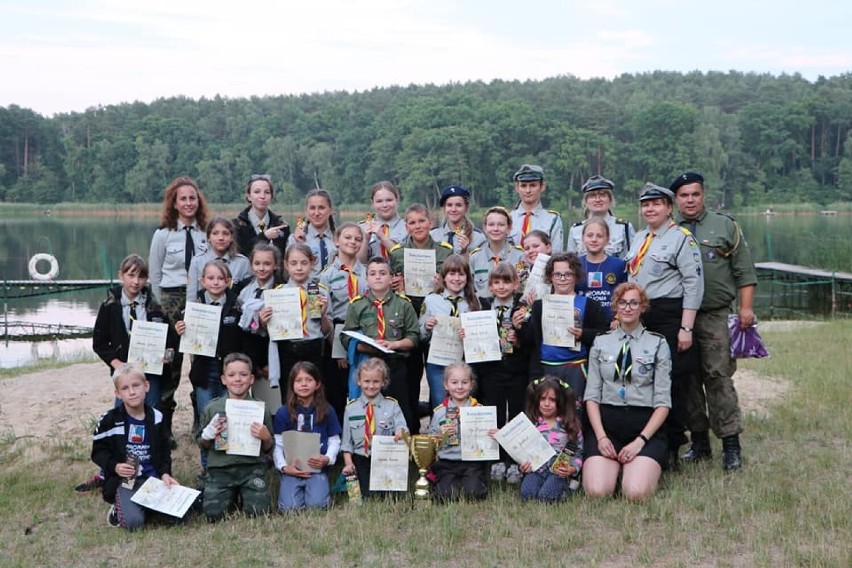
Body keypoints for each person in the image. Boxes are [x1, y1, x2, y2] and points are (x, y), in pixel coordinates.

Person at [673, 172, 757, 470]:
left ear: (703, 195)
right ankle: (699, 442)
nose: (690, 200)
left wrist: (745, 309)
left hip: (715, 314)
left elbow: (744, 271)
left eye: (695, 194)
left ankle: (731, 443)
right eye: (684, 195)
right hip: (682, 316)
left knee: (718, 377)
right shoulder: (670, 229)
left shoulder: (724, 225)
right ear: (676, 199)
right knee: (688, 378)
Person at [81, 254, 178, 494]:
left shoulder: (154, 306)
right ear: (121, 275)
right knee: (121, 421)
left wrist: (167, 353)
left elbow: (170, 340)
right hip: (124, 374)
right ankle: (109, 471)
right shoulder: (110, 305)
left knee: (149, 420)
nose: (135, 281)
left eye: (141, 276)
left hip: (150, 375)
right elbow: (99, 342)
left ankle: (151, 468)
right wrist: (117, 364)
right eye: (131, 275)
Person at [625, 183, 703, 468]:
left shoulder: (681, 237)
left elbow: (694, 283)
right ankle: (647, 441)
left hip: (670, 314)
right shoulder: (639, 237)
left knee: (671, 383)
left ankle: (671, 446)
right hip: (640, 314)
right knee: (641, 378)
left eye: (656, 203)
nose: (650, 209)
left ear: (669, 207)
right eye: (646, 204)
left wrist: (686, 327)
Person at [583, 283, 672, 501]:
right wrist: (601, 437)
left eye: (634, 303)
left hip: (644, 427)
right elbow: (592, 396)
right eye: (622, 303)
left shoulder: (658, 343)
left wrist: (640, 441)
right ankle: (614, 467)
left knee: (636, 493)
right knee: (597, 492)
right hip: (608, 426)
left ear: (642, 307)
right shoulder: (601, 342)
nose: (628, 308)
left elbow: (663, 402)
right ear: (615, 306)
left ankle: (636, 467)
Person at [148, 176, 209, 446]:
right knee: (170, 368)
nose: (188, 203)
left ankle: (200, 422)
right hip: (170, 303)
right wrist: (161, 312)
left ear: (199, 202)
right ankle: (165, 428)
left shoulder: (207, 233)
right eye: (182, 198)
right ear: (174, 202)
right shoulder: (162, 235)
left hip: (199, 302)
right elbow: (154, 276)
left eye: (192, 198)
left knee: (201, 366)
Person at [91, 364, 185, 530]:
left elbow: (164, 452)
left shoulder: (157, 417)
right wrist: (116, 466)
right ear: (117, 393)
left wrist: (165, 474)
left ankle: (142, 505)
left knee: (179, 517)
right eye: (125, 388)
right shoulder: (109, 420)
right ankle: (119, 507)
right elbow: (98, 452)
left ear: (146, 386)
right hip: (126, 480)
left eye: (136, 385)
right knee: (135, 523)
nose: (132, 392)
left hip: (153, 479)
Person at [516, 252, 609, 410]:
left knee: (574, 414)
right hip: (545, 367)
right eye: (557, 274)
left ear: (576, 276)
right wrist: (519, 327)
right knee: (544, 416)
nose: (563, 278)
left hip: (577, 368)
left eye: (568, 274)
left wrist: (583, 334)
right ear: (550, 277)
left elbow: (604, 336)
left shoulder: (591, 305)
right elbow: (531, 340)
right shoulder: (539, 305)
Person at [389, 203, 453, 423]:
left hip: (436, 314)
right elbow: (388, 285)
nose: (417, 226)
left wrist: (441, 285)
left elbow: (455, 282)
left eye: (422, 221)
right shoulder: (397, 253)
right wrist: (396, 284)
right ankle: (412, 428)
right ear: (406, 226)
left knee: (440, 373)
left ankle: (441, 427)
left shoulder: (445, 250)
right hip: (407, 314)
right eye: (412, 222)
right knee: (410, 374)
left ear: (431, 223)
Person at [176, 260, 242, 470]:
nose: (215, 282)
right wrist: (180, 330)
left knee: (229, 417)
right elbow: (180, 340)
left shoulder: (236, 305)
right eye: (211, 278)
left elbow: (243, 338)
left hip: (230, 372)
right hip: (204, 372)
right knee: (208, 418)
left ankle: (227, 466)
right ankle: (208, 469)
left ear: (228, 281)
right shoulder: (192, 308)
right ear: (202, 281)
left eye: (220, 278)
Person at [341, 257, 419, 429]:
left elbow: (414, 336)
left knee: (400, 409)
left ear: (391, 278)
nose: (378, 277)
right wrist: (363, 347)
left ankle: (402, 450)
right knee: (370, 409)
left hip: (396, 364)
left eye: (383, 273)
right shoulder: (357, 305)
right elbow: (346, 337)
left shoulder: (404, 304)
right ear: (366, 278)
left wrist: (394, 344)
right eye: (373, 274)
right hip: (369, 365)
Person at [196, 353, 274, 521]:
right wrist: (208, 435)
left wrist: (266, 437)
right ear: (223, 379)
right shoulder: (213, 408)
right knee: (213, 515)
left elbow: (269, 448)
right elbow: (202, 444)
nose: (238, 379)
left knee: (259, 513)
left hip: (251, 468)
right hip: (221, 468)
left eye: (243, 375)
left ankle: (245, 495)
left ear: (252, 379)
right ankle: (226, 495)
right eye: (232, 375)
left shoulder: (260, 409)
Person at [472, 262, 528, 484]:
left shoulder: (522, 308)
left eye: (506, 282)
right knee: (493, 415)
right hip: (492, 371)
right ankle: (495, 459)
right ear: (490, 286)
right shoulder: (484, 307)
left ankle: (514, 461)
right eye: (496, 282)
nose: (502, 286)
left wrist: (520, 338)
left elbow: (533, 338)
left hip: (516, 371)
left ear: (515, 284)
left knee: (516, 414)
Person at [266, 244, 331, 405]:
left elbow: (327, 331)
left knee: (315, 397)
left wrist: (323, 314)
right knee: (289, 397)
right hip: (288, 349)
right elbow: (269, 330)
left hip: (313, 348)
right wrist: (264, 319)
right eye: (294, 263)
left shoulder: (321, 291)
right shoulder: (278, 293)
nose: (299, 268)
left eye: (304, 263)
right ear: (286, 265)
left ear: (312, 263)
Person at [273, 362, 342, 512]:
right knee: (289, 509)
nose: (303, 384)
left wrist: (327, 459)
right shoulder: (283, 413)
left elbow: (334, 440)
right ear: (292, 385)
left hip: (317, 468)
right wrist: (284, 467)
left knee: (318, 506)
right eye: (298, 380)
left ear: (317, 384)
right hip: (292, 468)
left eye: (309, 380)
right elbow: (277, 444)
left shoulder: (327, 410)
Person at [319, 223, 369, 421]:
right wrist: (339, 350)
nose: (353, 242)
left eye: (358, 239)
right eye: (347, 237)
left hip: (364, 337)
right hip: (337, 335)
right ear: (336, 240)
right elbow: (327, 316)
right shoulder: (327, 275)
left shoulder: (367, 273)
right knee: (338, 393)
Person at [340, 358, 408, 498]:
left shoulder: (392, 405)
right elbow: (346, 443)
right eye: (366, 381)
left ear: (383, 382)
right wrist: (348, 463)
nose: (371, 386)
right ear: (359, 381)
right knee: (364, 496)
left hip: (385, 458)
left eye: (376, 381)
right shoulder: (351, 408)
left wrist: (401, 432)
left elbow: (402, 426)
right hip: (361, 458)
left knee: (390, 496)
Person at [420, 254, 480, 408]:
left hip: (464, 362)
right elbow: (419, 335)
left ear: (467, 278)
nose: (457, 278)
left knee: (464, 403)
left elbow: (480, 336)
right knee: (440, 403)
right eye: (452, 274)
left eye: (461, 274)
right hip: (438, 363)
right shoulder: (431, 300)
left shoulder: (473, 302)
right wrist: (427, 327)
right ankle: (442, 432)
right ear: (444, 277)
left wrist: (469, 335)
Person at [427, 362, 488, 501]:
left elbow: (488, 441)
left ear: (471, 385)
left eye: (464, 382)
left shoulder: (480, 410)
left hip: (472, 462)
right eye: (454, 382)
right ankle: (448, 483)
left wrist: (491, 433)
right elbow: (430, 440)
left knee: (474, 494)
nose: (460, 387)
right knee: (444, 496)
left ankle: (473, 481)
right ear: (446, 385)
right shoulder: (439, 412)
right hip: (446, 462)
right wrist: (439, 435)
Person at [517, 376, 583, 503]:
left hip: (558, 472)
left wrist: (572, 469)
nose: (546, 404)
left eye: (552, 400)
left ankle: (569, 488)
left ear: (561, 401)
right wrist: (523, 466)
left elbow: (579, 451)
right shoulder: (532, 423)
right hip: (536, 470)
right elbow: (522, 450)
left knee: (545, 497)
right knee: (527, 494)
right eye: (542, 399)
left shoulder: (569, 424)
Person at [237, 243, 285, 417]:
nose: (262, 268)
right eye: (257, 264)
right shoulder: (244, 291)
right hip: (251, 357)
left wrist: (266, 364)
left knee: (275, 403)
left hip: (273, 357)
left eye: (267, 264)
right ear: (251, 264)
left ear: (276, 265)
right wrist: (254, 365)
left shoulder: (281, 290)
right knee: (257, 403)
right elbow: (241, 331)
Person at [566, 175, 635, 259]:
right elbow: (570, 264)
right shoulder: (575, 230)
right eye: (592, 196)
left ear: (610, 200)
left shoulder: (624, 227)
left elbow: (632, 260)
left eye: (602, 195)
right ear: (586, 201)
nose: (598, 199)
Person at [186, 216, 251, 302]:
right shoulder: (197, 261)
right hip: (204, 312)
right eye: (215, 233)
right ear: (208, 237)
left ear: (232, 238)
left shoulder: (243, 263)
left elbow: (247, 295)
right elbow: (191, 295)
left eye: (225, 233)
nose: (220, 238)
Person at [575, 218, 627, 323]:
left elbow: (625, 295)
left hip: (610, 323)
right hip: (582, 323)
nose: (594, 240)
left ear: (607, 240)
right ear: (583, 238)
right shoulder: (575, 264)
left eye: (599, 236)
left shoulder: (619, 264)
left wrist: (619, 318)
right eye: (589, 235)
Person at [469, 206, 525, 298]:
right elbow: (469, 291)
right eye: (491, 224)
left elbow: (524, 289)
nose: (496, 229)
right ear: (485, 228)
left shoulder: (520, 256)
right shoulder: (475, 257)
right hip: (483, 309)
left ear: (509, 228)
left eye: (501, 225)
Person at [233, 174, 290, 258]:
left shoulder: (281, 225)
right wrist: (264, 237)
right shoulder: (236, 225)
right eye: (257, 192)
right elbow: (239, 253)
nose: (262, 196)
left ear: (271, 197)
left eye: (267, 192)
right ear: (249, 196)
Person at [508, 164, 563, 252]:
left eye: (533, 185)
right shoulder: (507, 219)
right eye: (523, 186)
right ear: (517, 187)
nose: (528, 191)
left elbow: (556, 253)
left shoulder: (552, 219)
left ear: (542, 187)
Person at [289, 188, 337, 280]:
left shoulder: (339, 239)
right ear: (306, 211)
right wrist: (298, 245)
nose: (316, 213)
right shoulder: (295, 239)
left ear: (330, 210)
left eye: (321, 208)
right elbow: (289, 272)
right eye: (312, 208)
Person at [429, 185, 486, 256]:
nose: (453, 209)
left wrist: (465, 252)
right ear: (444, 208)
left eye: (459, 205)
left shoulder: (478, 237)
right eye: (449, 205)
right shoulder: (432, 236)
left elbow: (481, 265)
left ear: (466, 208)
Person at [359, 181, 407, 261]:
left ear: (397, 200)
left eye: (389, 200)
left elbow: (404, 260)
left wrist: (382, 237)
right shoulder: (361, 228)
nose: (384, 205)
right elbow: (358, 263)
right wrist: (365, 240)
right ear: (372, 203)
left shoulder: (408, 227)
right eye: (379, 201)